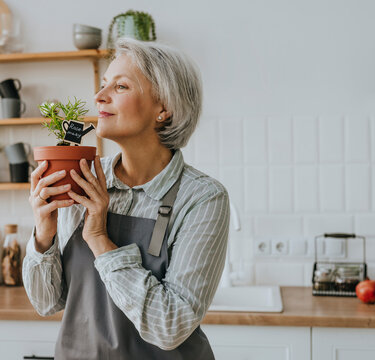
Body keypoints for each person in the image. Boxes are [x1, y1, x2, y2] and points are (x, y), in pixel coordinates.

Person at [23, 37, 230, 359]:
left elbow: (170, 327)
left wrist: (98, 237)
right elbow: (46, 303)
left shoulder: (202, 197)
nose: (99, 96)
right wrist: (43, 235)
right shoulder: (84, 178)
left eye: (120, 87)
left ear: (164, 108)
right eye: (104, 84)